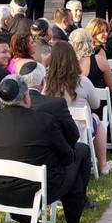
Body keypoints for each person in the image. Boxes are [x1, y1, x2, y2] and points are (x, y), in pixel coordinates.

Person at [0, 75, 90, 223]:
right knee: (77, 158)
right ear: (26, 97)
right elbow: (67, 157)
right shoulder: (45, 122)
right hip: (39, 191)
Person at [19, 60, 96, 209]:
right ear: (43, 81)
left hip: (17, 170)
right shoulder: (55, 104)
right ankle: (79, 203)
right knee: (80, 152)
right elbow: (73, 136)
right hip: (49, 168)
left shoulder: (12, 106)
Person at [63, 34, 112, 175]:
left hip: (61, 125)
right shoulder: (83, 81)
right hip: (82, 125)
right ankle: (103, 164)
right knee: (97, 120)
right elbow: (96, 104)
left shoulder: (50, 83)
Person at [81, 19, 112, 150]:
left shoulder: (71, 60)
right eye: (101, 32)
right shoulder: (99, 54)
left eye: (106, 31)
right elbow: (111, 87)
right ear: (93, 33)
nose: (105, 34)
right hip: (99, 103)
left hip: (83, 103)